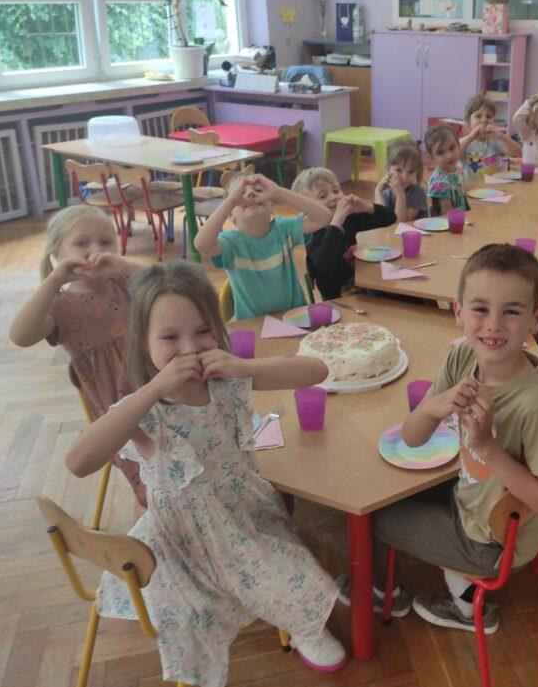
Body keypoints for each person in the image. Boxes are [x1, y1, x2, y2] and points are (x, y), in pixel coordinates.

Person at [64, 261, 346, 683]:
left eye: (202, 331)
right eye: (170, 338)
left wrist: (245, 367)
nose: (189, 349)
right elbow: (78, 462)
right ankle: (281, 620)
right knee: (194, 618)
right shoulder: (146, 409)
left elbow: (317, 371)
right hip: (182, 539)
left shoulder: (227, 381)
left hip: (243, 515)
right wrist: (154, 389)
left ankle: (304, 625)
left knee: (299, 577)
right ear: (143, 342)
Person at [335, 244, 538, 634]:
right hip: (470, 498)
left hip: (492, 544)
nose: (493, 325)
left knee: (371, 517)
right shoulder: (462, 360)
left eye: (511, 311)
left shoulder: (537, 406)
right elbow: (412, 438)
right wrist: (433, 407)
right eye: (480, 309)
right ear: (459, 312)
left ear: (535, 319)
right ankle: (435, 586)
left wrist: (487, 448)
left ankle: (423, 600)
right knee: (378, 490)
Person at [9, 205, 148, 507]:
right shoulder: (59, 306)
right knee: (154, 485)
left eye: (106, 241)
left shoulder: (127, 283)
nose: (95, 251)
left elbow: (172, 283)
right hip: (119, 417)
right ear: (57, 253)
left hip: (161, 393)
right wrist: (53, 280)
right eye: (82, 243)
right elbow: (20, 336)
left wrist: (127, 266)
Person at [194, 170, 331, 319]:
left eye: (258, 191)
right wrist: (231, 201)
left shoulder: (284, 230)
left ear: (271, 205)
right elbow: (201, 244)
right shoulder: (230, 243)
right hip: (254, 324)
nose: (250, 194)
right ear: (231, 215)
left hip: (295, 319)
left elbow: (324, 217)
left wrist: (280, 192)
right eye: (241, 193)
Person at [293, 166, 396, 300]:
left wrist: (367, 207)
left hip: (364, 288)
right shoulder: (311, 233)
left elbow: (390, 219)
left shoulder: (349, 218)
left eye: (336, 191)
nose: (334, 197)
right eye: (323, 196)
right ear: (307, 208)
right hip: (338, 299)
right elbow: (325, 263)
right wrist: (335, 224)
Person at [373, 140, 429, 223]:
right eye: (398, 170)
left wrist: (400, 195)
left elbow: (400, 223)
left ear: (417, 171)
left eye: (411, 172)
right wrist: (377, 191)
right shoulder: (384, 190)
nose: (404, 177)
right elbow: (382, 219)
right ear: (387, 167)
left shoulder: (417, 192)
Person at [462, 95, 522, 170]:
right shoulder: (464, 142)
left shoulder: (495, 141)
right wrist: (470, 137)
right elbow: (455, 154)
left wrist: (502, 137)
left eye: (489, 117)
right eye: (478, 116)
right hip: (472, 178)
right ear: (469, 121)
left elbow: (518, 153)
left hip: (494, 177)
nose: (484, 120)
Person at [425, 124, 474, 214]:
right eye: (440, 152)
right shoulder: (441, 183)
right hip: (453, 220)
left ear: (458, 145)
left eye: (452, 148)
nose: (449, 156)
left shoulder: (456, 169)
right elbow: (447, 216)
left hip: (463, 216)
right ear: (431, 157)